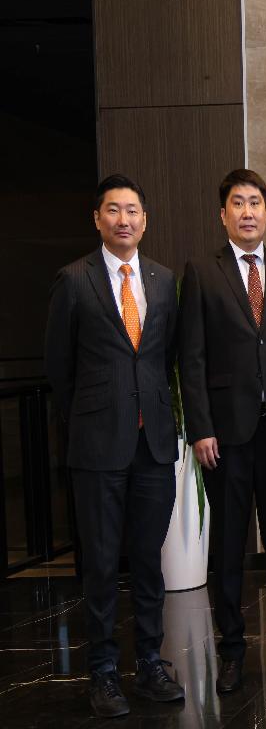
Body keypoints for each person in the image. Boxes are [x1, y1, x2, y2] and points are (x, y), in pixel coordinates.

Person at [45, 175, 184, 717]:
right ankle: (103, 672)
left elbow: (164, 359)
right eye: (113, 210)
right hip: (98, 446)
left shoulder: (163, 280)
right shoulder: (73, 279)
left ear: (145, 221)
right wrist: (92, 420)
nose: (123, 220)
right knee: (102, 564)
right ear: (97, 219)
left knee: (149, 562)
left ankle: (149, 663)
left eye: (132, 211)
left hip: (154, 445)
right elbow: (60, 369)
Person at [177, 169, 266, 694]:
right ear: (224, 214)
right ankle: (232, 651)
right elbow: (192, 358)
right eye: (238, 203)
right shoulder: (202, 272)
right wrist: (200, 428)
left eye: (255, 202)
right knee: (231, 546)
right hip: (226, 436)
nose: (248, 212)